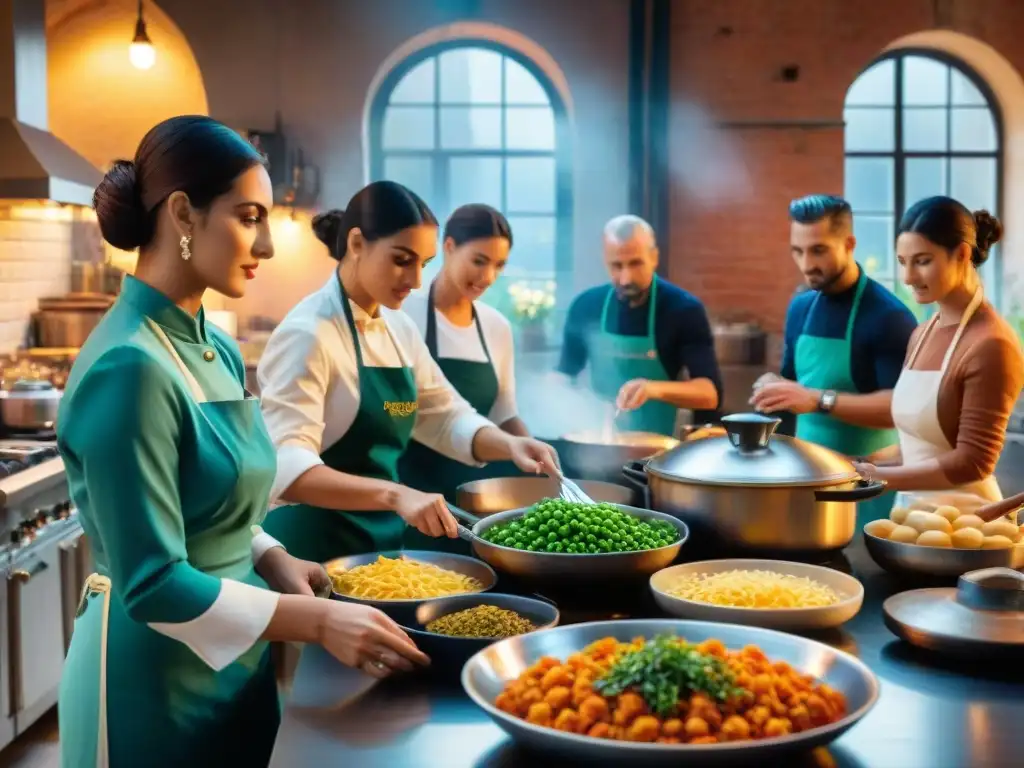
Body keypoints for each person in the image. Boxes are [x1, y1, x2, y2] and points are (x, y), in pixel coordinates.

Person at [57, 117, 428, 768]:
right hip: (155, 684)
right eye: (248, 216)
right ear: (183, 214)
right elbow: (153, 583)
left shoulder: (215, 347)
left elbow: (211, 493)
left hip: (239, 667)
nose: (266, 244)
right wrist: (314, 620)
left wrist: (272, 553)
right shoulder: (129, 366)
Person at [258, 182, 560, 564]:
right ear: (356, 244)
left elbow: (445, 415)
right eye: (402, 260)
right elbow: (285, 466)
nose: (417, 280)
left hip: (380, 553)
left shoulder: (398, 328)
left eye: (424, 263)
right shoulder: (308, 334)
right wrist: (397, 494)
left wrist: (510, 445)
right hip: (310, 552)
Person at [845, 197, 1024, 519]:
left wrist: (873, 476)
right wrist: (859, 464)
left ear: (962, 254)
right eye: (903, 262)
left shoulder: (992, 344)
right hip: (911, 521)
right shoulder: (922, 333)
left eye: (922, 261)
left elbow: (973, 462)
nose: (909, 277)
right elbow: (923, 446)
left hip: (967, 529)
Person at [751, 194, 918, 523]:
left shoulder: (888, 316)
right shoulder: (800, 307)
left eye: (818, 250)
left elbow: (898, 410)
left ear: (849, 243)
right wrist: (774, 386)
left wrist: (816, 400)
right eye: (797, 251)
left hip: (867, 482)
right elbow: (793, 384)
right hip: (806, 476)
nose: (806, 264)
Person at [397, 205, 528, 551]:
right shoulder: (403, 311)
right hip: (409, 493)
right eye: (479, 261)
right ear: (449, 247)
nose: (488, 277)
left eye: (499, 266)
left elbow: (504, 413)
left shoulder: (496, 326)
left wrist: (537, 458)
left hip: (475, 496)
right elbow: (396, 408)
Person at [557, 214, 722, 435]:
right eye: (616, 266)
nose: (626, 278)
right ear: (605, 260)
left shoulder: (683, 309)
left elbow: (710, 394)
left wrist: (651, 389)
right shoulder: (586, 306)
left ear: (654, 257)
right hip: (601, 442)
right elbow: (563, 376)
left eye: (635, 264)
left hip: (661, 446)